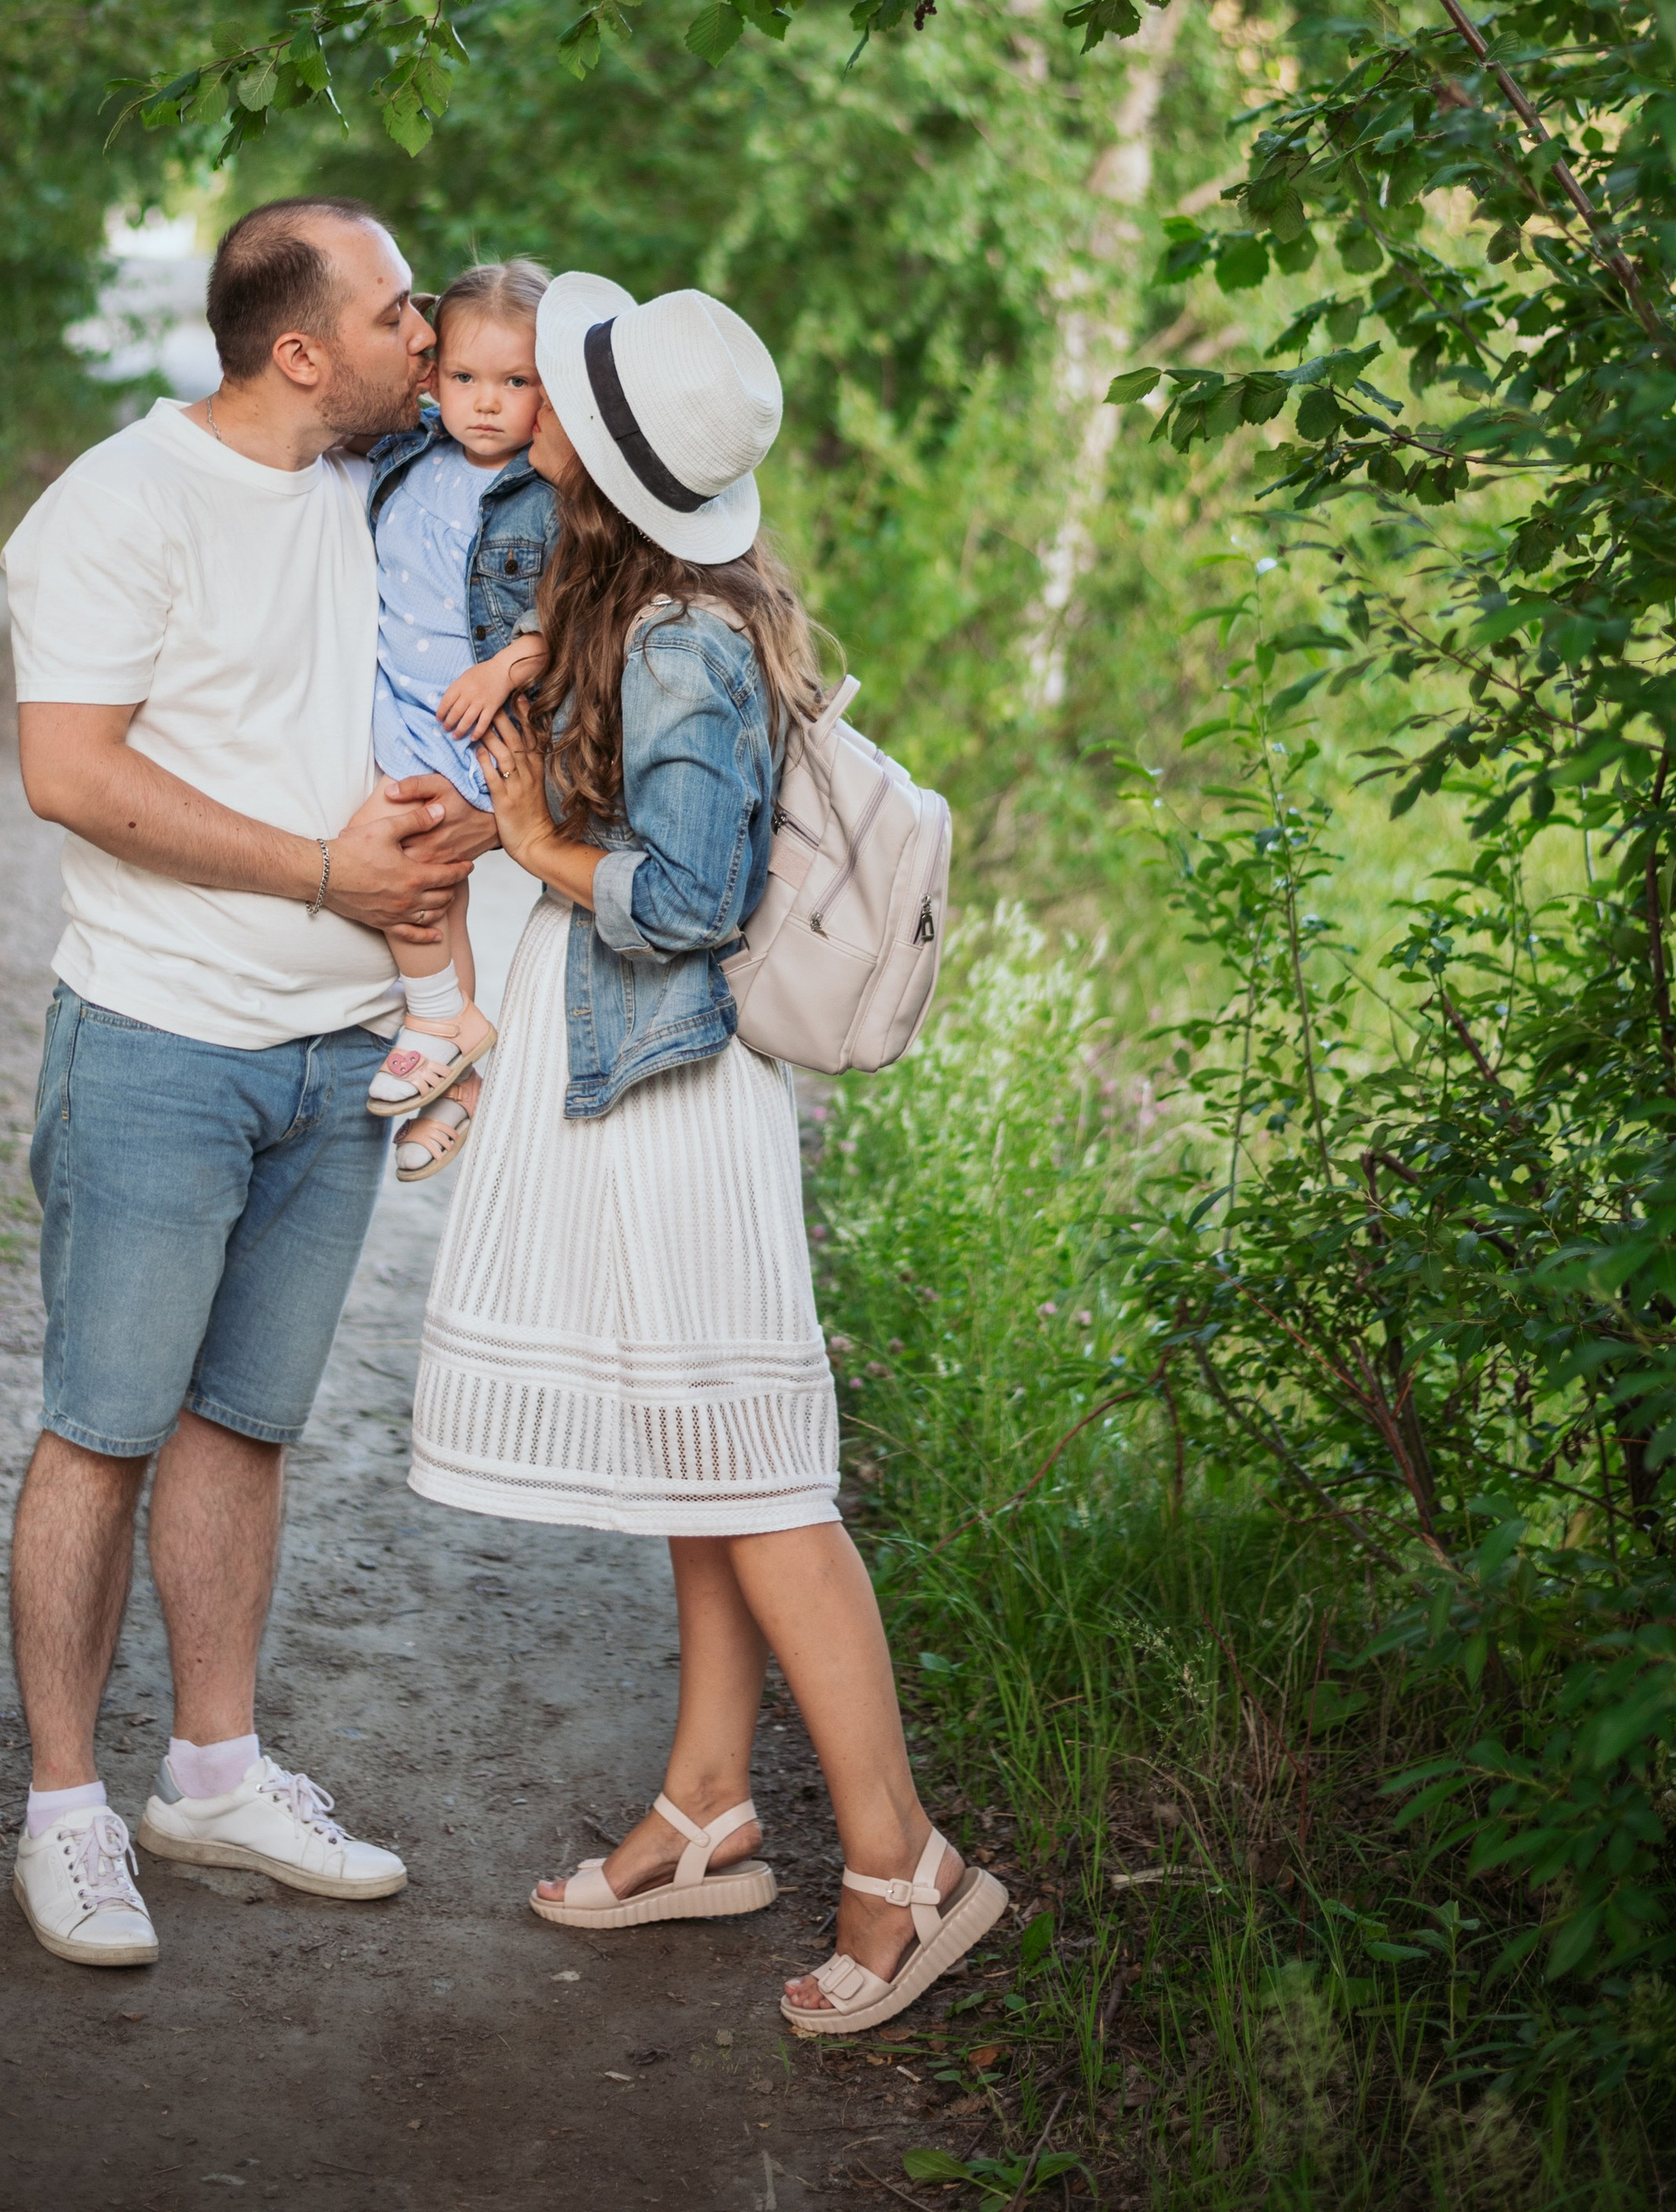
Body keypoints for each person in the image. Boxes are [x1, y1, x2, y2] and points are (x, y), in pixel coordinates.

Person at [407, 271, 1007, 2036]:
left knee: (755, 1478)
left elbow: (686, 898)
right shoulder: (644, 599)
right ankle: (705, 1806)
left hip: (680, 1101)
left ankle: (907, 1863)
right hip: (642, 1094)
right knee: (700, 1464)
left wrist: (530, 833)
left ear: (599, 453)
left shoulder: (675, 637)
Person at [0, 196, 495, 1969]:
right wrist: (320, 871)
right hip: (156, 1041)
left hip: (335, 1054)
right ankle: (64, 1813)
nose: (421, 335)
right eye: (391, 314)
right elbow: (67, 771)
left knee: (243, 1429)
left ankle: (209, 1775)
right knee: (102, 1429)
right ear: (299, 351)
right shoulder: (117, 507)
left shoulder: (373, 488)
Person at [361, 258, 558, 1185]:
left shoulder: (549, 492)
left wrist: (508, 663)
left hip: (472, 718)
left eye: (515, 383)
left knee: (419, 857)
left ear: (547, 392)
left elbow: (582, 608)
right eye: (466, 378)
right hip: (396, 694)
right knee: (433, 875)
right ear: (432, 377)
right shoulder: (407, 451)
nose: (487, 403)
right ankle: (460, 1075)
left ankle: (441, 1016)